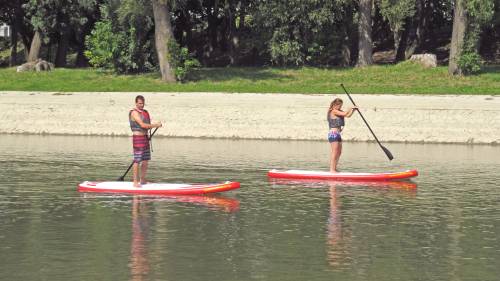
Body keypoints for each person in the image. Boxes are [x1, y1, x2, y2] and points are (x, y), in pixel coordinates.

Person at [130, 95, 162, 187]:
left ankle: (142, 180)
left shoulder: (145, 112)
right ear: (136, 103)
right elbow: (142, 125)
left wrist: (154, 125)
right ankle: (135, 182)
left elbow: (147, 124)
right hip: (138, 138)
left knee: (145, 160)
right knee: (137, 160)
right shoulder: (134, 113)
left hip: (145, 138)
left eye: (142, 103)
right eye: (139, 103)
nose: (141, 105)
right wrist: (156, 125)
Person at [327, 98, 357, 173]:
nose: (340, 107)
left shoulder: (339, 111)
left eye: (341, 105)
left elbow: (348, 115)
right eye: (339, 105)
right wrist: (350, 108)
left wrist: (354, 110)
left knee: (339, 152)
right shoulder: (333, 111)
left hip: (338, 134)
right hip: (333, 134)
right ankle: (332, 169)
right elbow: (345, 113)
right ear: (334, 104)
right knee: (335, 152)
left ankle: (335, 168)